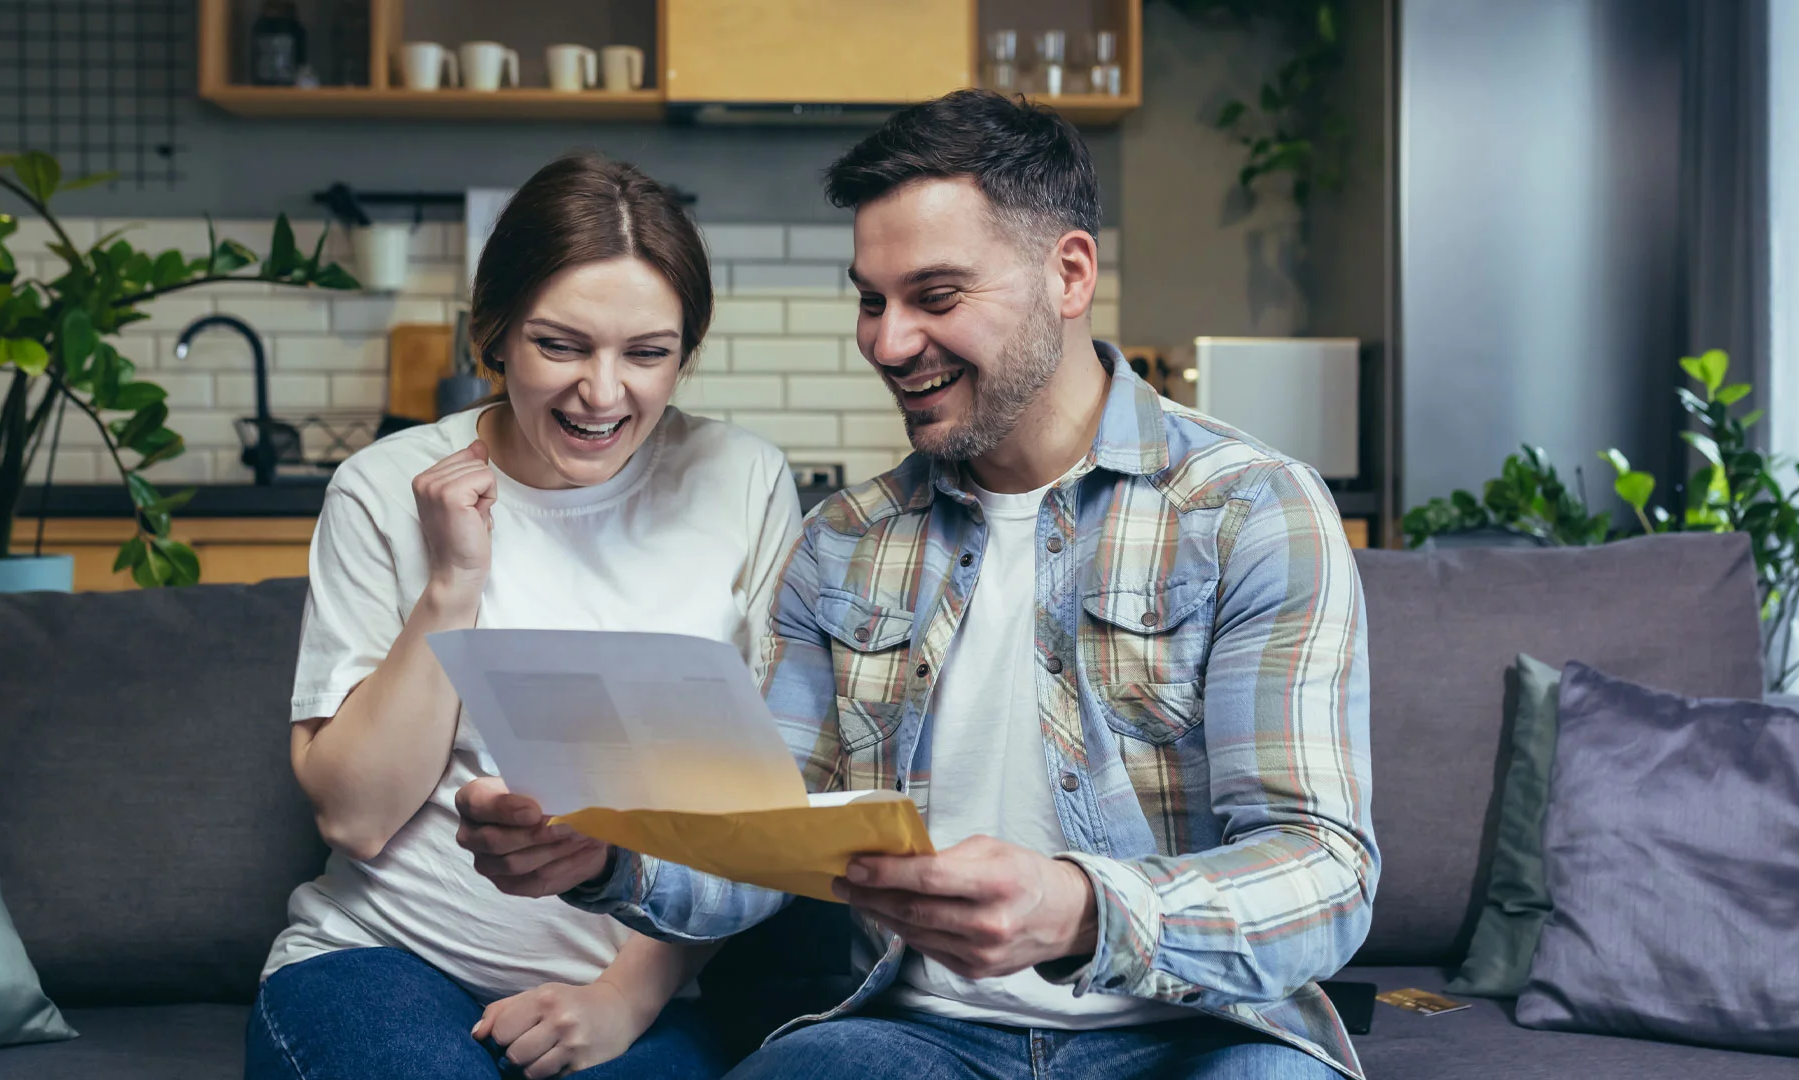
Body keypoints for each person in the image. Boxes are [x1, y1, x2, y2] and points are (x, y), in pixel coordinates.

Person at [457, 91, 1378, 1080]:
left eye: (935, 297)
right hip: (916, 1033)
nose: (888, 344)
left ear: (1068, 275)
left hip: (1201, 1033)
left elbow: (1322, 869)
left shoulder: (1249, 509)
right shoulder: (846, 542)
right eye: (871, 299)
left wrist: (1076, 908)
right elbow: (763, 842)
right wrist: (605, 858)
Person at [246, 152, 803, 1080]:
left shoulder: (743, 482)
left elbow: (762, 813)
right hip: (381, 962)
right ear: (493, 336)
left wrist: (624, 998)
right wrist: (453, 585)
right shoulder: (381, 487)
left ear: (685, 354)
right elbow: (355, 816)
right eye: (561, 345)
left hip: (629, 995)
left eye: (647, 353)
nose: (602, 391)